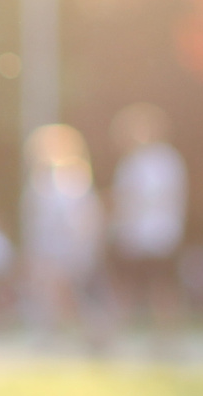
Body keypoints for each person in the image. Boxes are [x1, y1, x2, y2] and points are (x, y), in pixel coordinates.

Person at [107, 105, 187, 345]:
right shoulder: (138, 161)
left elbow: (137, 198)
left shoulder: (160, 160)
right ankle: (117, 335)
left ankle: (165, 338)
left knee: (159, 287)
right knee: (128, 286)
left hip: (154, 235)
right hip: (139, 235)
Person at [21, 124, 103, 343]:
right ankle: (61, 333)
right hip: (47, 248)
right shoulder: (40, 179)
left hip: (65, 249)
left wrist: (79, 248)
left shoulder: (73, 178)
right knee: (52, 294)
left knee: (64, 294)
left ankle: (93, 332)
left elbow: (81, 219)